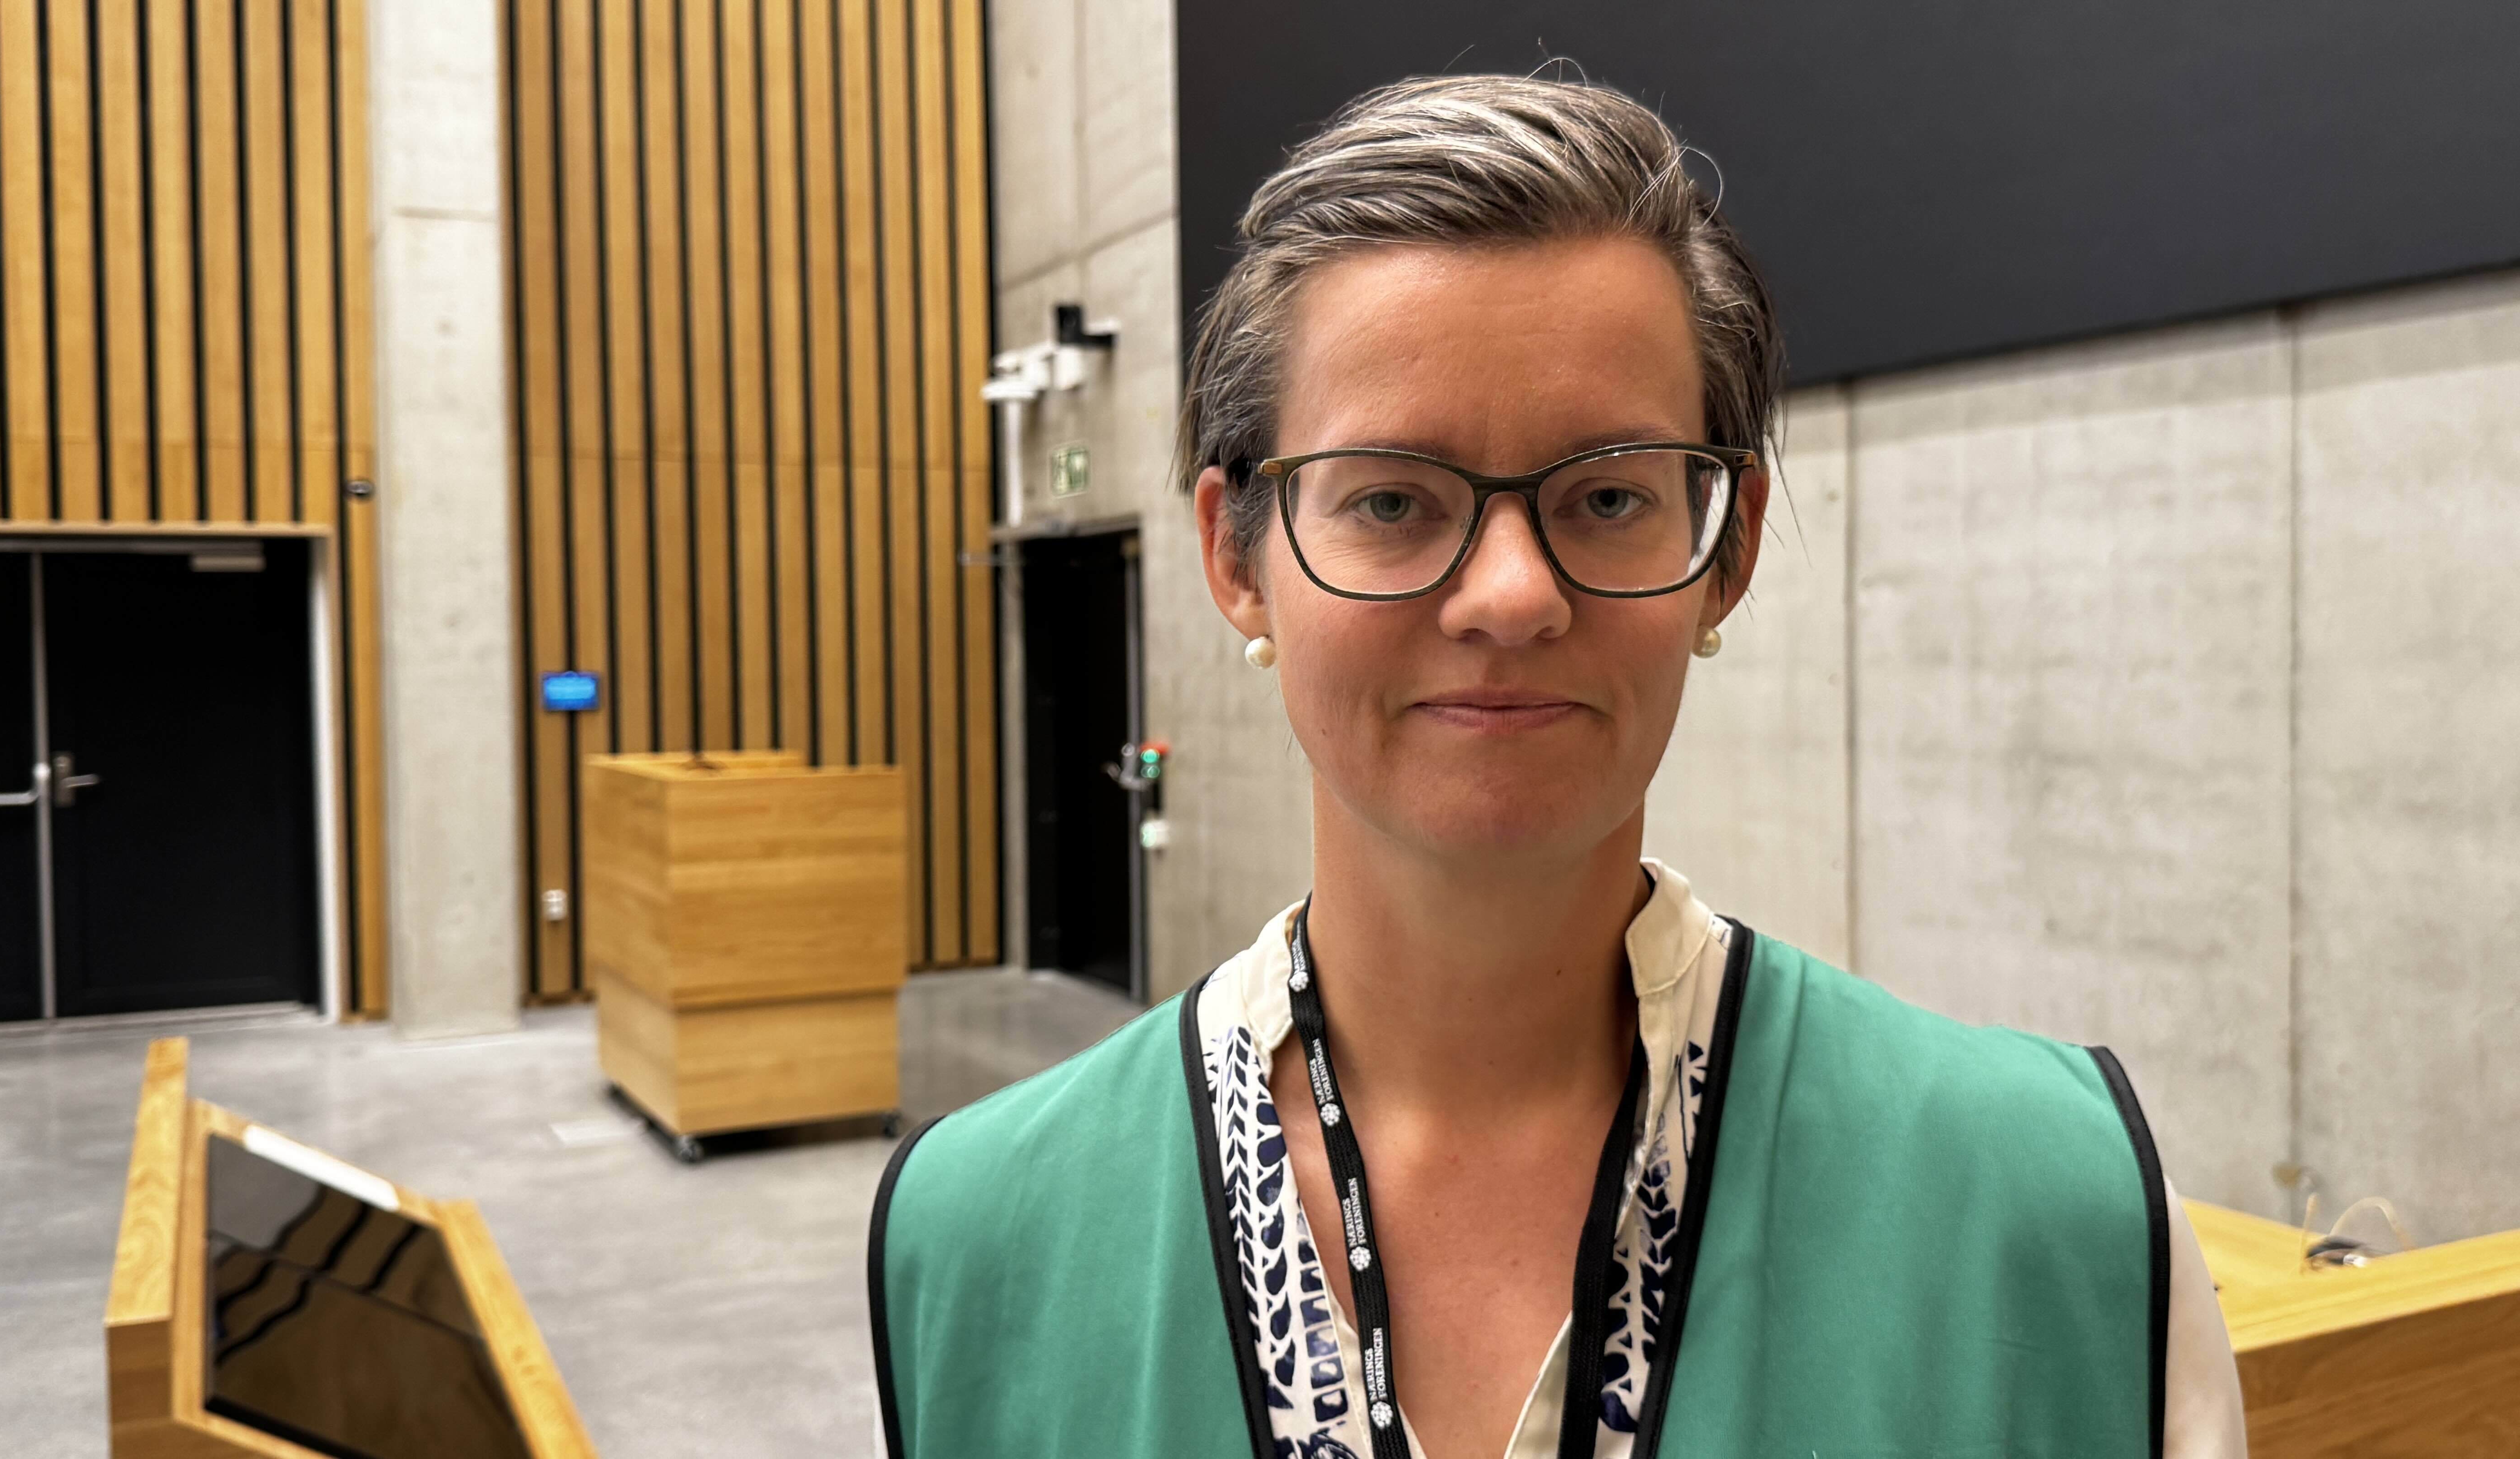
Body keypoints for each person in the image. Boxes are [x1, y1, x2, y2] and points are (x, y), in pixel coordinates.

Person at [870, 74, 2245, 1459]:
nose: (1513, 595)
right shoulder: (979, 1245)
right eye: (1392, 500)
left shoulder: (2059, 1217)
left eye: (1607, 496)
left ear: (1727, 550)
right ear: (1239, 557)